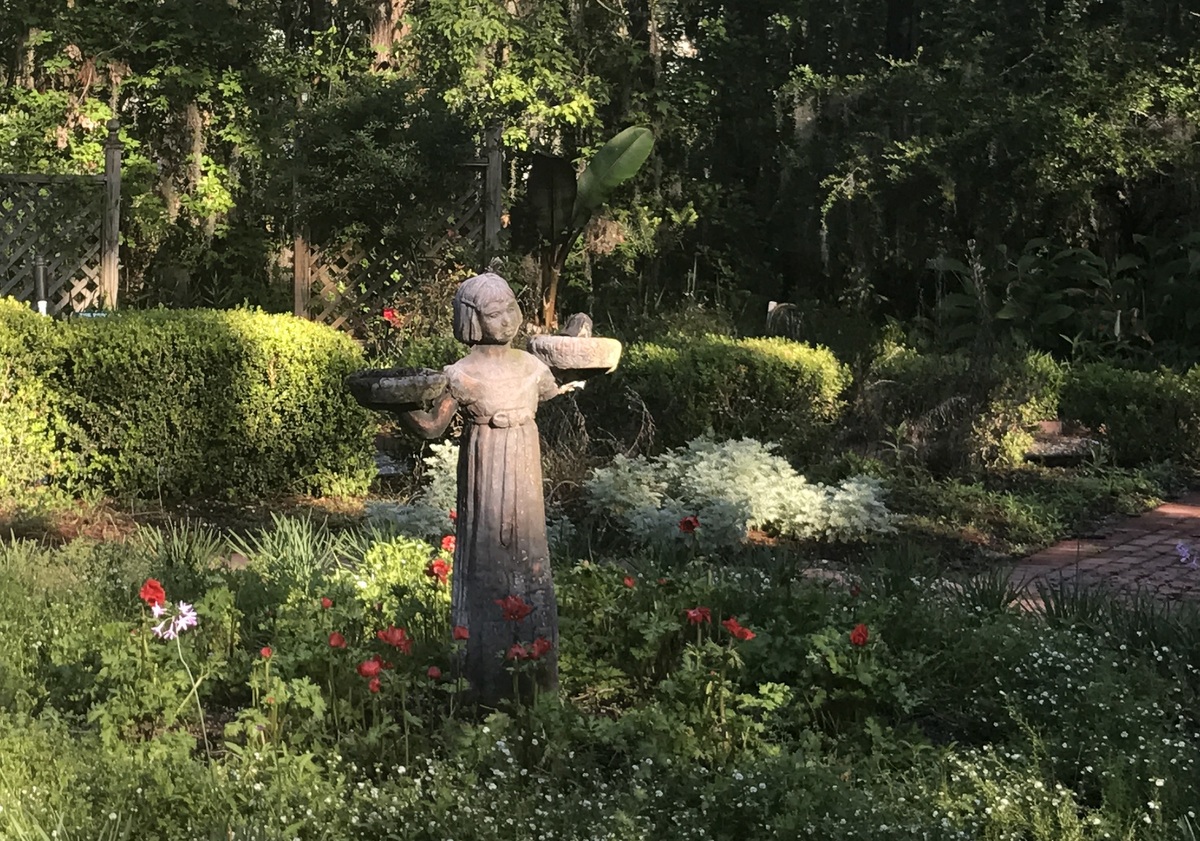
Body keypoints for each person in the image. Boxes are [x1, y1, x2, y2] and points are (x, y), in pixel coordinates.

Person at [398, 273, 567, 703]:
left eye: (512, 307)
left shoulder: (531, 366)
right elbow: (433, 427)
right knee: (487, 551)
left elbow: (557, 385)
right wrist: (401, 406)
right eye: (495, 312)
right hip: (486, 463)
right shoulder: (461, 373)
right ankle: (485, 676)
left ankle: (533, 668)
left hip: (523, 459)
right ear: (471, 319)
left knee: (527, 546)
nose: (507, 319)